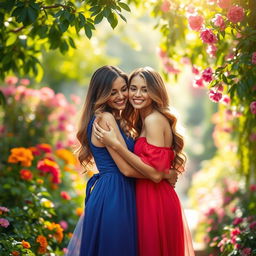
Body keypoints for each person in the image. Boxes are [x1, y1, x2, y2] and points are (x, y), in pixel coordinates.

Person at [65, 66, 177, 256]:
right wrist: (164, 174)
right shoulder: (106, 118)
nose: (121, 96)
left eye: (123, 89)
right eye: (112, 92)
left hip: (119, 191)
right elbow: (125, 169)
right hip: (114, 193)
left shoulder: (119, 118)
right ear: (101, 94)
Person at [93, 67, 195, 256]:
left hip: (155, 200)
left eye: (145, 89)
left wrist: (117, 145)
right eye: (133, 88)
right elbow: (157, 172)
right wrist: (166, 173)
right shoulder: (142, 121)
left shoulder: (153, 120)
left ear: (155, 92)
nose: (136, 94)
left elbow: (155, 174)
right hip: (147, 196)